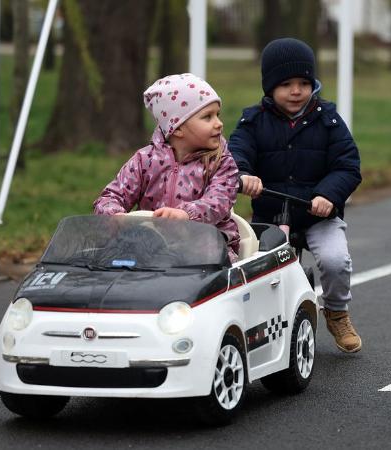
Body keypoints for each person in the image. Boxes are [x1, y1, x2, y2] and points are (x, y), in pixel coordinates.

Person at [229, 38, 363, 353]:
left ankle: (336, 311)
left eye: (303, 83)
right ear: (269, 87)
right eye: (286, 84)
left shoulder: (328, 120)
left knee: (335, 260)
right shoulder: (253, 121)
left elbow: (348, 166)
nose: (296, 91)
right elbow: (234, 155)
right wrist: (243, 175)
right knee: (256, 269)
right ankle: (257, 323)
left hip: (318, 214)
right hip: (270, 214)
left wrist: (328, 195)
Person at [94, 73, 240, 263]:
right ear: (177, 128)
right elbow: (112, 195)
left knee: (207, 251)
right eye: (207, 117)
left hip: (206, 246)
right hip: (152, 246)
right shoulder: (144, 160)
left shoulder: (221, 162)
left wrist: (187, 214)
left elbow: (219, 200)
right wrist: (113, 214)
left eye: (217, 115)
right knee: (113, 253)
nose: (219, 123)